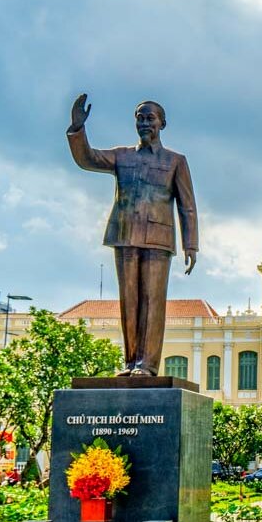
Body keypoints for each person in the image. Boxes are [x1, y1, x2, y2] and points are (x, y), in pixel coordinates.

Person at [66, 94, 199, 376]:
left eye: (150, 118)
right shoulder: (121, 156)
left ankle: (147, 365)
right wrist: (78, 130)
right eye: (140, 117)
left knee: (153, 301)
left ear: (162, 123)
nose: (144, 122)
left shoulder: (176, 161)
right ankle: (130, 363)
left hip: (158, 240)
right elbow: (87, 158)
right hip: (124, 235)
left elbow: (187, 205)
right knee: (129, 302)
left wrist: (191, 244)